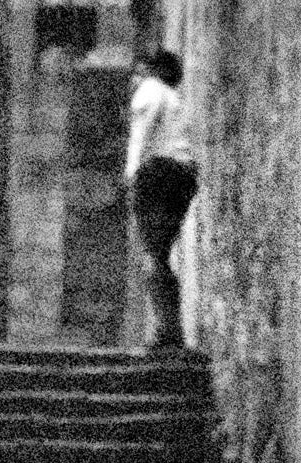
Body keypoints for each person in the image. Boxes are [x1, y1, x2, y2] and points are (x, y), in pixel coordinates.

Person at [125, 46, 198, 351]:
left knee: (152, 254)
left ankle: (168, 331)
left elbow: (141, 134)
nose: (134, 79)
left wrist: (132, 173)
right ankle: (170, 328)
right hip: (183, 174)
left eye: (138, 72)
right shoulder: (175, 98)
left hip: (157, 172)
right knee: (160, 253)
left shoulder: (150, 90)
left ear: (149, 71)